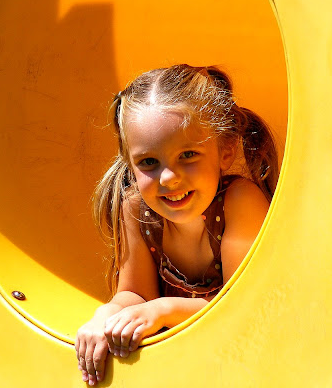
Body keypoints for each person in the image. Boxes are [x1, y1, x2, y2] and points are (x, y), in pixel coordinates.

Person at [75, 64, 279, 385]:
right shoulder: (136, 210)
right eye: (149, 162)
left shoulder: (240, 202)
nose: (168, 178)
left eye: (188, 155)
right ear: (130, 163)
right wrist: (106, 316)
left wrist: (164, 310)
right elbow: (135, 294)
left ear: (225, 152)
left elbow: (244, 307)